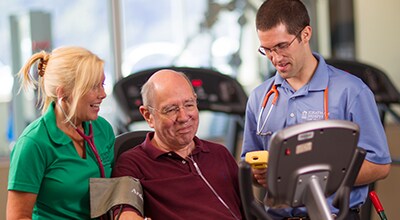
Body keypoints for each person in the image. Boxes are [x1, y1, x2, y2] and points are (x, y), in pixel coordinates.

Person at [241, 0, 391, 219]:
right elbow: (249, 164)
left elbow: (378, 165)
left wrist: (309, 178)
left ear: (306, 34)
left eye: (282, 46)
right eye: (267, 50)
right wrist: (259, 174)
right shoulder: (259, 98)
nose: (276, 58)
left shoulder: (351, 91)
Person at [112, 69, 244, 220]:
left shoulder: (220, 153)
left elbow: (248, 208)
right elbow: (125, 215)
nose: (183, 117)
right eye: (171, 110)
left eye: (189, 105)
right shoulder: (132, 164)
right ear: (148, 116)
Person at [7, 46, 115, 219]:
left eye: (102, 85)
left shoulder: (103, 130)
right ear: (63, 92)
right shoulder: (33, 143)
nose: (103, 94)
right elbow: (18, 217)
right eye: (94, 87)